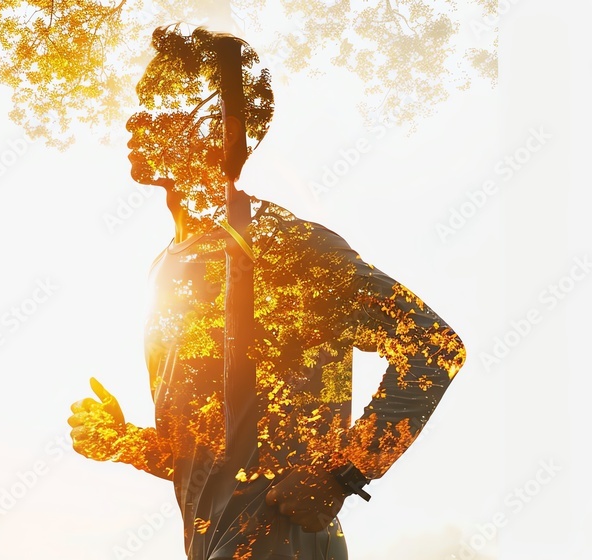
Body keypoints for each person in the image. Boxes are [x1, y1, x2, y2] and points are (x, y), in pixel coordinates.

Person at [67, 26, 466, 560]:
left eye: (159, 105)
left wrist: (341, 475)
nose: (135, 120)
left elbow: (434, 347)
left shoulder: (283, 245)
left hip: (284, 540)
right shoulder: (165, 269)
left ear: (217, 127)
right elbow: (206, 457)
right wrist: (122, 441)